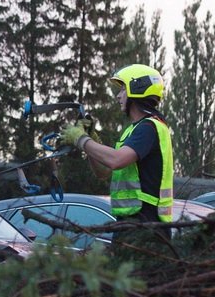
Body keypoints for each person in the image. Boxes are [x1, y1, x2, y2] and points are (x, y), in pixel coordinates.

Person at [60, 64, 174, 241]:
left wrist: (80, 139)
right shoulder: (133, 130)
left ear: (137, 90)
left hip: (146, 227)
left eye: (123, 90)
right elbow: (103, 172)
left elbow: (116, 160)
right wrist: (91, 142)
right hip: (130, 223)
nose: (118, 96)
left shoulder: (149, 127)